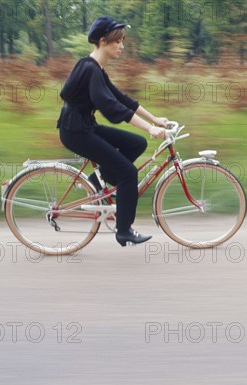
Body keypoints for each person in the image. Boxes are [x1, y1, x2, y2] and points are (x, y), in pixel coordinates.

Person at [57, 16, 168, 247]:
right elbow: (111, 107)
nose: (122, 46)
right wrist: (150, 128)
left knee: (136, 144)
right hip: (75, 131)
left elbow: (122, 99)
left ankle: (98, 181)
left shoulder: (95, 68)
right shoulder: (90, 69)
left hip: (85, 126)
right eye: (118, 42)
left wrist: (154, 119)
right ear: (103, 41)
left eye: (122, 41)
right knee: (127, 172)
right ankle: (124, 230)